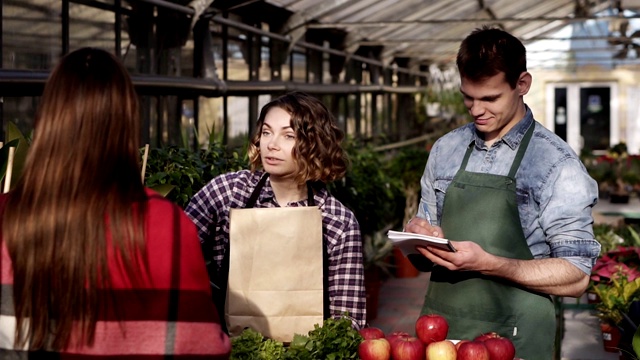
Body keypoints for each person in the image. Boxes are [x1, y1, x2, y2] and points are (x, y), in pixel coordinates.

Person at [0, 48, 231, 358]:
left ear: (46, 121)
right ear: (127, 122)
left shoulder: (6, 217)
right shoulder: (168, 225)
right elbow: (202, 347)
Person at [405, 26, 600, 358]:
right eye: (468, 96)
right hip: (441, 335)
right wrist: (417, 237)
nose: (476, 110)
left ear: (522, 84)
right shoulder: (446, 149)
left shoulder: (555, 164)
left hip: (516, 339)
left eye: (490, 98)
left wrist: (491, 264)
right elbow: (424, 253)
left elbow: (576, 275)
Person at [185, 91, 366, 335]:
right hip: (228, 346)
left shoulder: (337, 221)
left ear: (314, 145)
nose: (271, 144)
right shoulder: (228, 192)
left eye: (288, 135)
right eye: (267, 132)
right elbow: (173, 255)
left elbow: (348, 321)